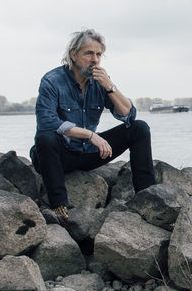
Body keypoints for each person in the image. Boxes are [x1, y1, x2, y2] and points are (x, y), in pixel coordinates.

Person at [32, 28, 155, 218]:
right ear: (73, 54)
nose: (95, 59)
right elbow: (47, 122)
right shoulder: (52, 81)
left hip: (88, 154)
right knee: (45, 137)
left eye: (98, 54)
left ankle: (147, 196)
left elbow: (128, 116)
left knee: (140, 128)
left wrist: (110, 86)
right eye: (89, 53)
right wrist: (90, 135)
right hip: (57, 157)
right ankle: (59, 205)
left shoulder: (100, 81)